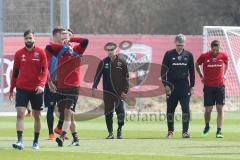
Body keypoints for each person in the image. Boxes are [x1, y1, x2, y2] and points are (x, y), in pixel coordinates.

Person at [46, 29, 89, 147]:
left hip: (73, 87)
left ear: (72, 38)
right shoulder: (59, 51)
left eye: (67, 37)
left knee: (67, 112)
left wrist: (71, 40)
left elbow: (85, 41)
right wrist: (62, 45)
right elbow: (48, 48)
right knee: (68, 115)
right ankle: (76, 139)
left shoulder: (77, 50)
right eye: (63, 37)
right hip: (61, 87)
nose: (65, 39)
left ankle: (61, 136)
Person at [9, 29, 48, 150]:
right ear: (24, 40)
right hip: (22, 88)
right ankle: (20, 141)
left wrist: (41, 85)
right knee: (20, 113)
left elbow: (45, 71)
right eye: (26, 38)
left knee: (37, 116)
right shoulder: (19, 53)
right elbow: (15, 72)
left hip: (36, 89)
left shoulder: (41, 52)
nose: (28, 40)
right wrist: (11, 89)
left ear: (34, 39)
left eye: (30, 38)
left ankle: (36, 142)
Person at [92, 42, 129, 139]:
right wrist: (94, 87)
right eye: (108, 50)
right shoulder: (103, 62)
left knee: (121, 113)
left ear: (116, 49)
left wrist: (125, 91)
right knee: (108, 113)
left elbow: (126, 78)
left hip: (119, 93)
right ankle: (110, 133)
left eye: (112, 49)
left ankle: (119, 130)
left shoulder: (122, 62)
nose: (110, 52)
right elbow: (97, 76)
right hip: (107, 93)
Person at [161, 34, 195, 138]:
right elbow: (163, 70)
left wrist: (192, 86)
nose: (180, 46)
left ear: (184, 44)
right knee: (170, 109)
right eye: (178, 44)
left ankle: (185, 132)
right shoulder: (168, 54)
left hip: (184, 86)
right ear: (175, 43)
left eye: (181, 45)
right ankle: (170, 131)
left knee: (185, 109)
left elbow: (192, 72)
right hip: (171, 86)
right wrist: (165, 84)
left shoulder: (189, 55)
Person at [196, 40, 228, 138]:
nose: (215, 51)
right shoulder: (204, 56)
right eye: (213, 49)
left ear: (219, 48)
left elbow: (227, 64)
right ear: (211, 48)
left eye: (216, 49)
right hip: (208, 87)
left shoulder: (223, 55)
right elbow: (196, 64)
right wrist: (201, 76)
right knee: (208, 110)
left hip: (220, 86)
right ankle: (207, 126)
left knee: (220, 109)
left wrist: (224, 74)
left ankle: (219, 131)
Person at [44, 26, 65, 140]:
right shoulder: (49, 48)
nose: (64, 36)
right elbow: (45, 67)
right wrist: (49, 82)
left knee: (65, 108)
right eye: (62, 34)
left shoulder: (65, 48)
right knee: (51, 108)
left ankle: (59, 128)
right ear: (57, 35)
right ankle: (50, 133)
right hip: (52, 83)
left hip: (63, 84)